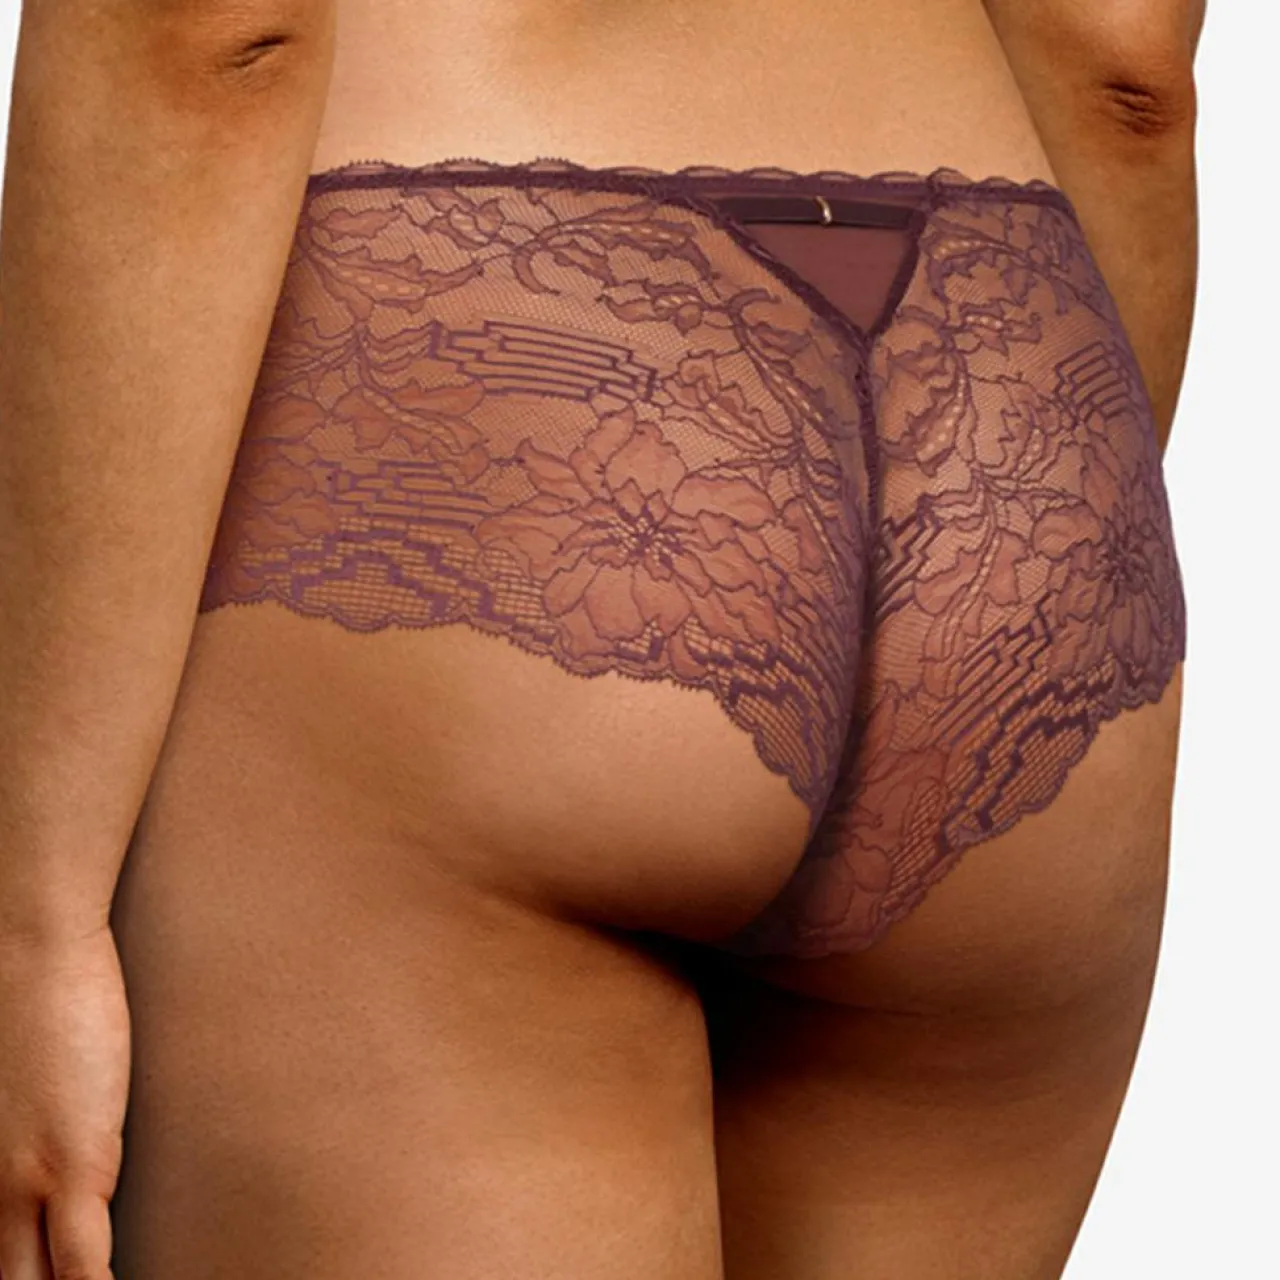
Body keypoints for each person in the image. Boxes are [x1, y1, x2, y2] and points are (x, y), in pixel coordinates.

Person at [0, 0, 1204, 1276]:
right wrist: (1015, 554)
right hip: (1011, 425)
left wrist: (35, 908)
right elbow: (1118, 64)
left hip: (483, 415)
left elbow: (207, 31)